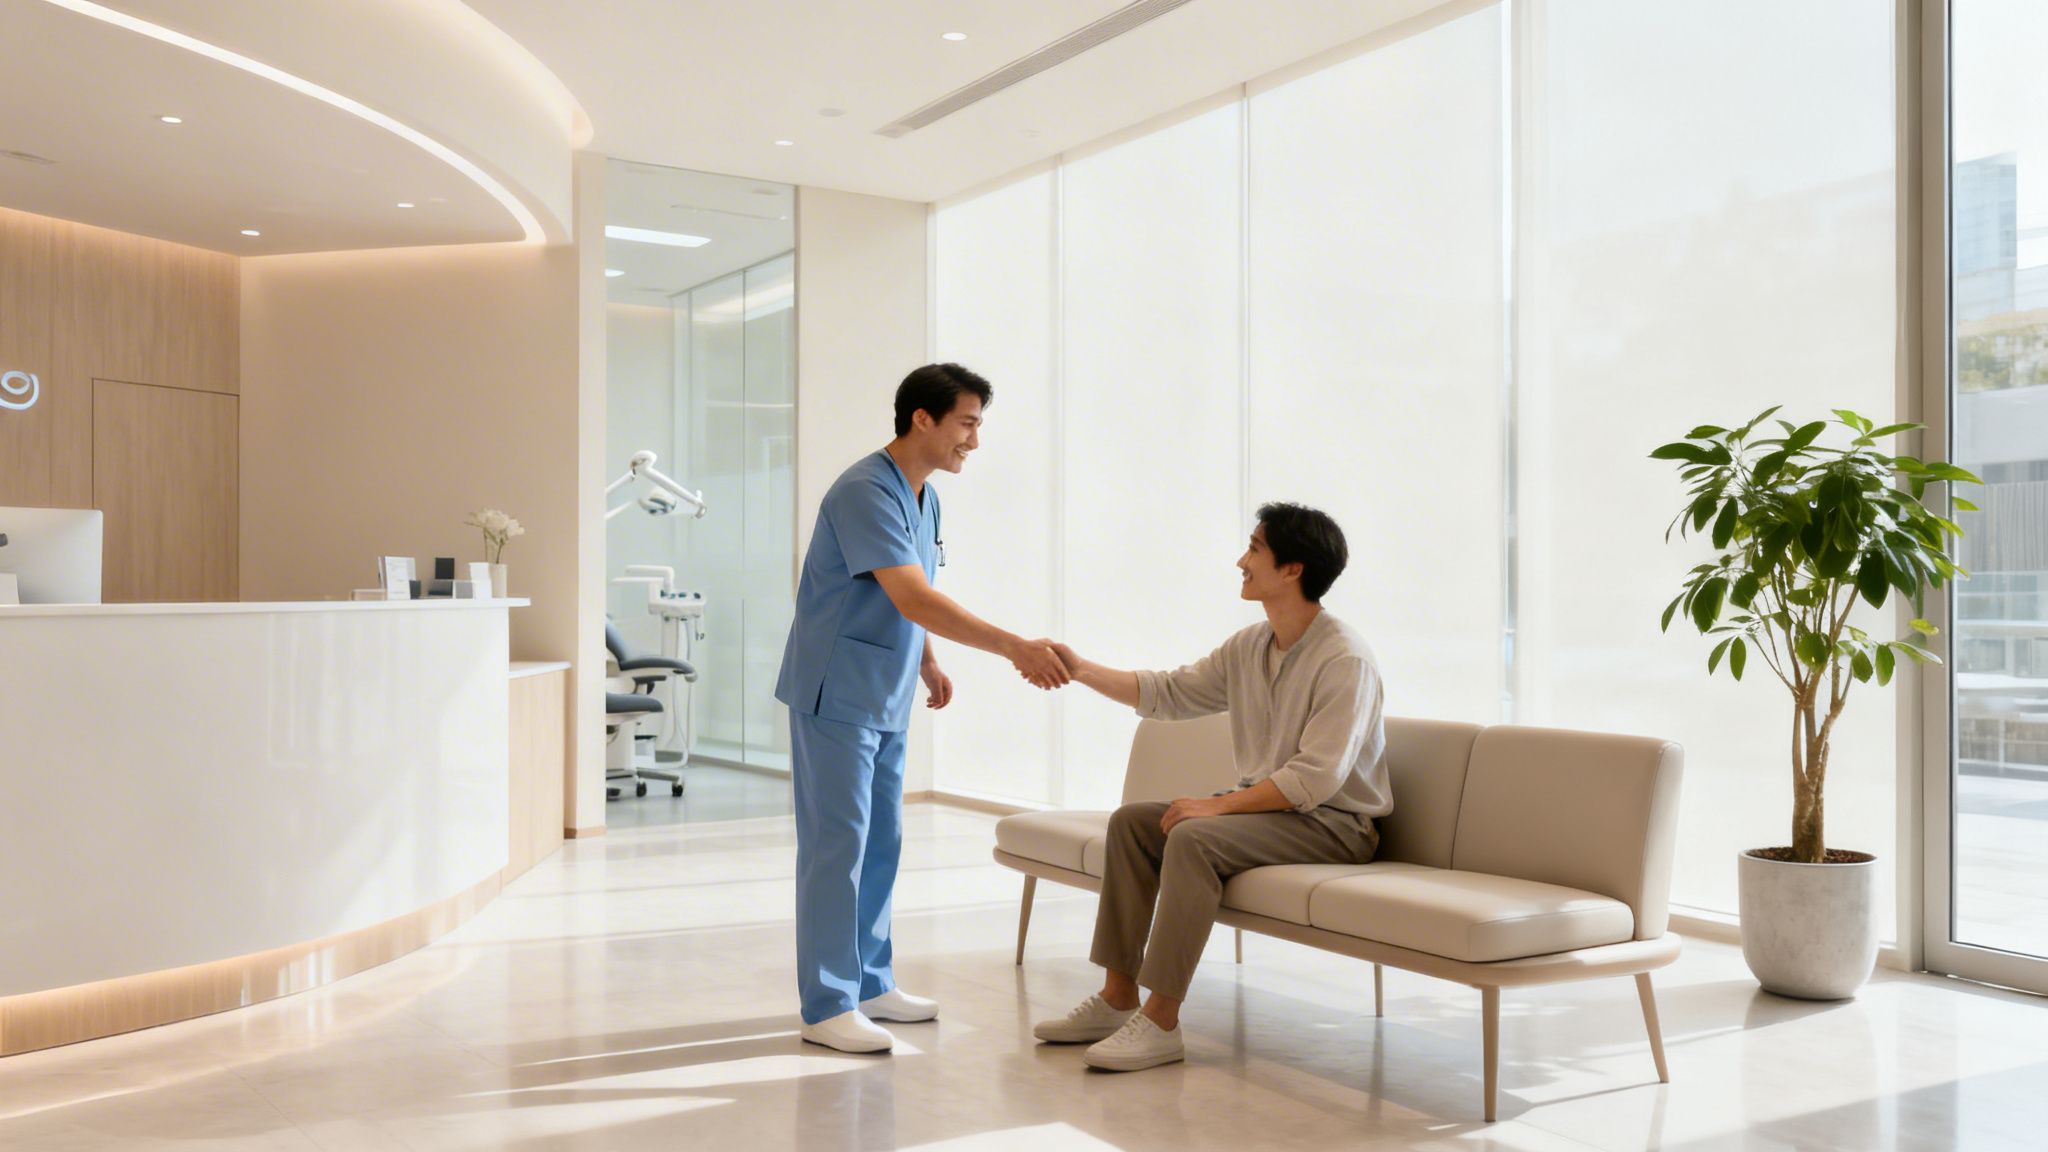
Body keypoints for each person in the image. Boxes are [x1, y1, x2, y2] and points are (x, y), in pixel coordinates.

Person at [777, 362, 1070, 1055]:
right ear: (922, 419)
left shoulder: (925, 496)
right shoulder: (864, 490)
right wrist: (1013, 646)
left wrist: (927, 659)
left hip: (885, 689)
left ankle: (871, 983)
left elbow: (907, 591)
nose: (975, 440)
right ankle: (827, 1003)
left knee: (881, 842)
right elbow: (911, 594)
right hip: (836, 690)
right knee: (837, 846)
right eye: (967, 423)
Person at [1035, 502, 1389, 1071]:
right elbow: (1170, 693)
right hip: (1272, 816)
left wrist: (1218, 807)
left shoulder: (1345, 659)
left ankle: (1161, 1021)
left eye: (1255, 549)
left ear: (1292, 569)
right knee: (1133, 824)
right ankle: (1117, 998)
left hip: (1335, 825)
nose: (1241, 561)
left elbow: (1316, 777)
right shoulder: (1250, 646)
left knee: (1194, 837)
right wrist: (1081, 671)